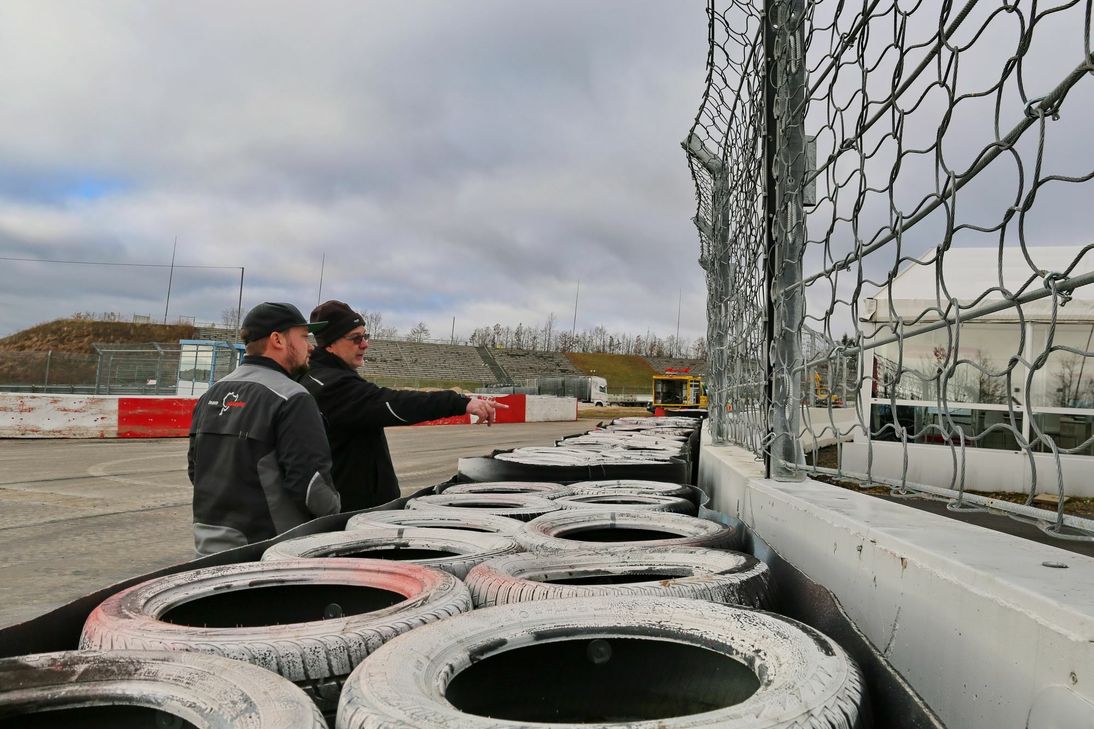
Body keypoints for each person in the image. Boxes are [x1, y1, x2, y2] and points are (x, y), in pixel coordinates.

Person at [302, 299, 504, 511]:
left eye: (365, 336)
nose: (365, 344)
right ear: (330, 344)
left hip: (356, 500)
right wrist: (459, 402)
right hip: (355, 509)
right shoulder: (331, 385)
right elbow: (395, 404)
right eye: (355, 338)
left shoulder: (327, 376)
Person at [188, 302, 342, 555]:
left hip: (208, 551)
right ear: (277, 339)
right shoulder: (292, 397)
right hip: (268, 555)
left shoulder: (211, 394)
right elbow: (311, 486)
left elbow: (197, 471)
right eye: (303, 337)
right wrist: (335, 512)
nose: (310, 346)